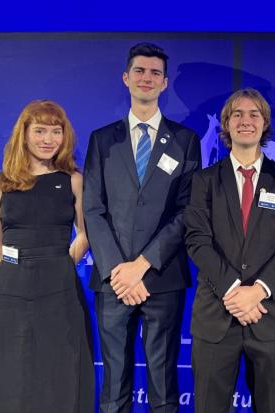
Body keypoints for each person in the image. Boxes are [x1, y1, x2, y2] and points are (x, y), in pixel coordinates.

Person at [83, 42, 201, 413]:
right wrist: (119, 270)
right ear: (126, 78)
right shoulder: (102, 139)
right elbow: (93, 208)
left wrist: (143, 265)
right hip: (113, 280)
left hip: (162, 278)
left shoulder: (186, 140)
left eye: (154, 73)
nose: (146, 78)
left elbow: (187, 210)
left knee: (163, 385)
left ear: (164, 83)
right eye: (139, 71)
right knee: (114, 385)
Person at [185, 88, 275, 413]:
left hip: (269, 316)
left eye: (254, 114)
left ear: (265, 123)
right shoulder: (204, 181)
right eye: (237, 114)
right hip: (216, 317)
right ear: (226, 124)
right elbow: (197, 241)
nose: (245, 121)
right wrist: (235, 292)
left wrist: (258, 291)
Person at [0, 100, 93, 413]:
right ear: (23, 134)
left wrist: (59, 261)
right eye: (40, 131)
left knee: (58, 376)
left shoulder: (73, 181)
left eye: (56, 131)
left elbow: (86, 233)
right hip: (9, 291)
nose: (48, 139)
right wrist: (20, 267)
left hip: (60, 289)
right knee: (6, 378)